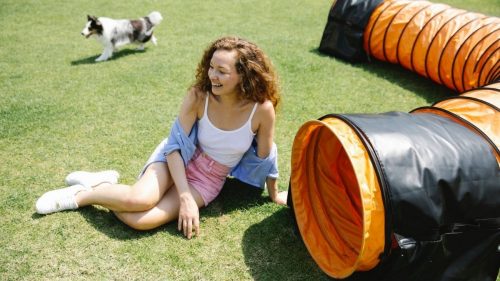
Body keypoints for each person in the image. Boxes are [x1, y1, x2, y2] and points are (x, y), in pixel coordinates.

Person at [35, 36, 288, 239]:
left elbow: (265, 155)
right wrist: (185, 197)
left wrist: (274, 194)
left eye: (222, 71)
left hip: (211, 178)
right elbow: (176, 146)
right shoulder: (199, 95)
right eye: (211, 67)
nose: (212, 75)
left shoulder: (261, 109)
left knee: (140, 221)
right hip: (178, 157)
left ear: (244, 75)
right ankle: (83, 195)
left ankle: (104, 186)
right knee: (139, 200)